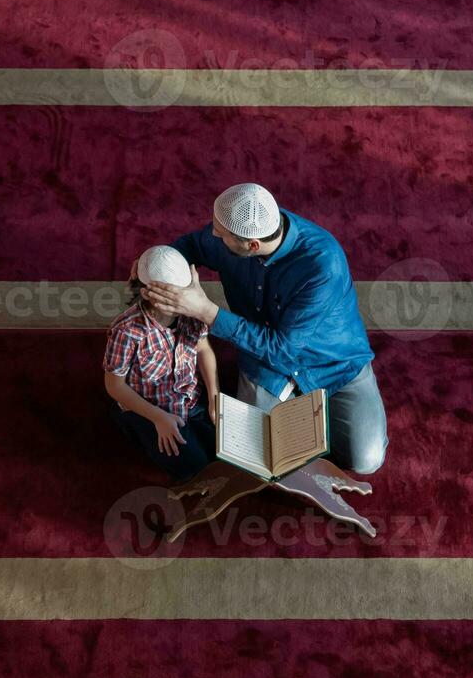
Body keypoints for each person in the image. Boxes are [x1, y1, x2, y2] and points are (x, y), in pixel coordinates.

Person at [143, 183, 388, 475]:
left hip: (334, 365)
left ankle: (315, 416)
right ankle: (302, 419)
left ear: (252, 246)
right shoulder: (232, 236)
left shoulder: (323, 265)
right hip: (264, 362)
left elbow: (282, 347)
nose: (212, 236)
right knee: (255, 457)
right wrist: (152, 265)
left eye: (220, 234)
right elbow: (191, 246)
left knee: (366, 460)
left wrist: (205, 311)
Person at [103, 245, 220, 480]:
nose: (184, 301)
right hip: (149, 409)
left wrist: (214, 395)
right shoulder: (128, 330)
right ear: (148, 295)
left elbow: (204, 349)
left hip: (189, 402)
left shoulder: (191, 312)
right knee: (194, 467)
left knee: (224, 455)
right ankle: (137, 430)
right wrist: (158, 418)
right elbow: (114, 386)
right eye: (174, 297)